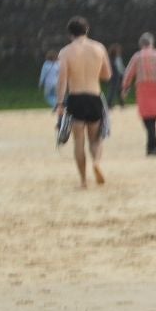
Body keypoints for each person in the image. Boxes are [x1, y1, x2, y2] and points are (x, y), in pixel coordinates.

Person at [55, 16, 113, 188]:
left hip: (76, 98)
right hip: (94, 96)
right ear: (86, 30)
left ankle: (83, 180)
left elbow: (62, 80)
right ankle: (96, 162)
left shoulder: (65, 52)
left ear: (70, 34)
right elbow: (107, 75)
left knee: (78, 140)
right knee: (95, 138)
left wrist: (59, 104)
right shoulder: (99, 48)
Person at [122, 31, 156, 157]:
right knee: (152, 118)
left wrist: (125, 88)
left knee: (146, 118)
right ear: (152, 43)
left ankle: (152, 145)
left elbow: (129, 73)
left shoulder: (137, 57)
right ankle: (153, 145)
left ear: (141, 44)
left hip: (143, 89)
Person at [107, 42, 126, 107]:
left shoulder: (111, 58)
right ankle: (110, 104)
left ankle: (120, 103)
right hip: (117, 76)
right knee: (116, 90)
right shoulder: (116, 58)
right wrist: (125, 73)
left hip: (114, 76)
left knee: (116, 90)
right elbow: (120, 68)